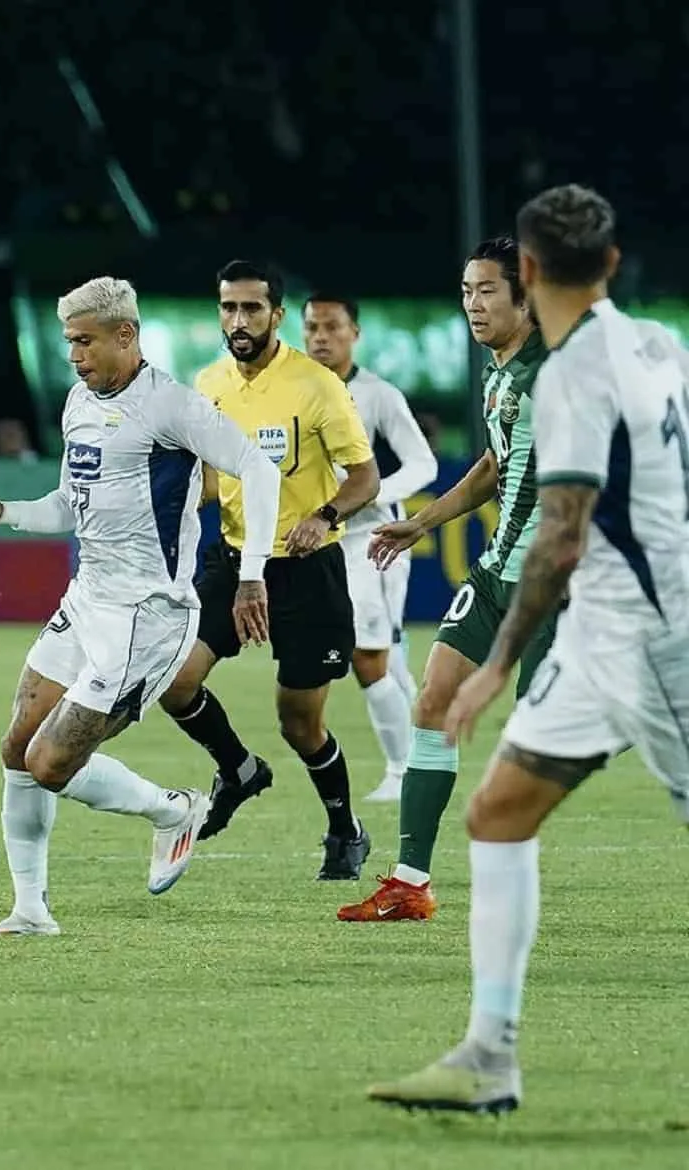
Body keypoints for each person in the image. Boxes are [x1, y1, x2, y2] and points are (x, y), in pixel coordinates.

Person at [368, 184, 689, 1113]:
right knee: (500, 812)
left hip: (650, 638)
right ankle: (488, 1056)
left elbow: (560, 531)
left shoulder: (575, 371)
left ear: (531, 273)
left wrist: (500, 663)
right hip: (603, 629)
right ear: (614, 264)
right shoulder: (655, 342)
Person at [0, 276, 280, 936]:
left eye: (85, 342)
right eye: (69, 342)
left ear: (125, 335)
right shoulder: (78, 402)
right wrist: (6, 511)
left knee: (50, 764)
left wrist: (252, 575)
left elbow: (260, 469)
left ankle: (173, 808)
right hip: (88, 601)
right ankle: (31, 911)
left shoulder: (171, 407)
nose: (75, 356)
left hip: (146, 616)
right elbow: (71, 504)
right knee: (17, 748)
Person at [338, 237, 556, 922]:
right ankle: (409, 883)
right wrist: (421, 523)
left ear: (525, 295)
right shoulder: (499, 373)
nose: (474, 303)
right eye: (467, 291)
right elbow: (494, 466)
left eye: (488, 290)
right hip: (497, 578)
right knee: (432, 701)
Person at [157, 260, 381, 880]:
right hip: (230, 561)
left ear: (277, 316)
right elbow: (206, 479)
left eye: (252, 308)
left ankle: (344, 827)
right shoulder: (207, 385)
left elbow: (365, 476)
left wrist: (326, 514)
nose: (239, 320)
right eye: (228, 308)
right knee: (173, 681)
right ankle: (238, 769)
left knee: (299, 723)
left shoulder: (316, 386)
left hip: (306, 569)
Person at [302, 295, 438, 802]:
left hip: (372, 539)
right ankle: (423, 760)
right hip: (319, 538)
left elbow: (422, 464)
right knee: (384, 654)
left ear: (354, 332)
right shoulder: (296, 391)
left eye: (332, 327)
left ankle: (405, 772)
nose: (320, 337)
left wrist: (369, 493)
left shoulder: (377, 395)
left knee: (370, 652)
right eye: (312, 326)